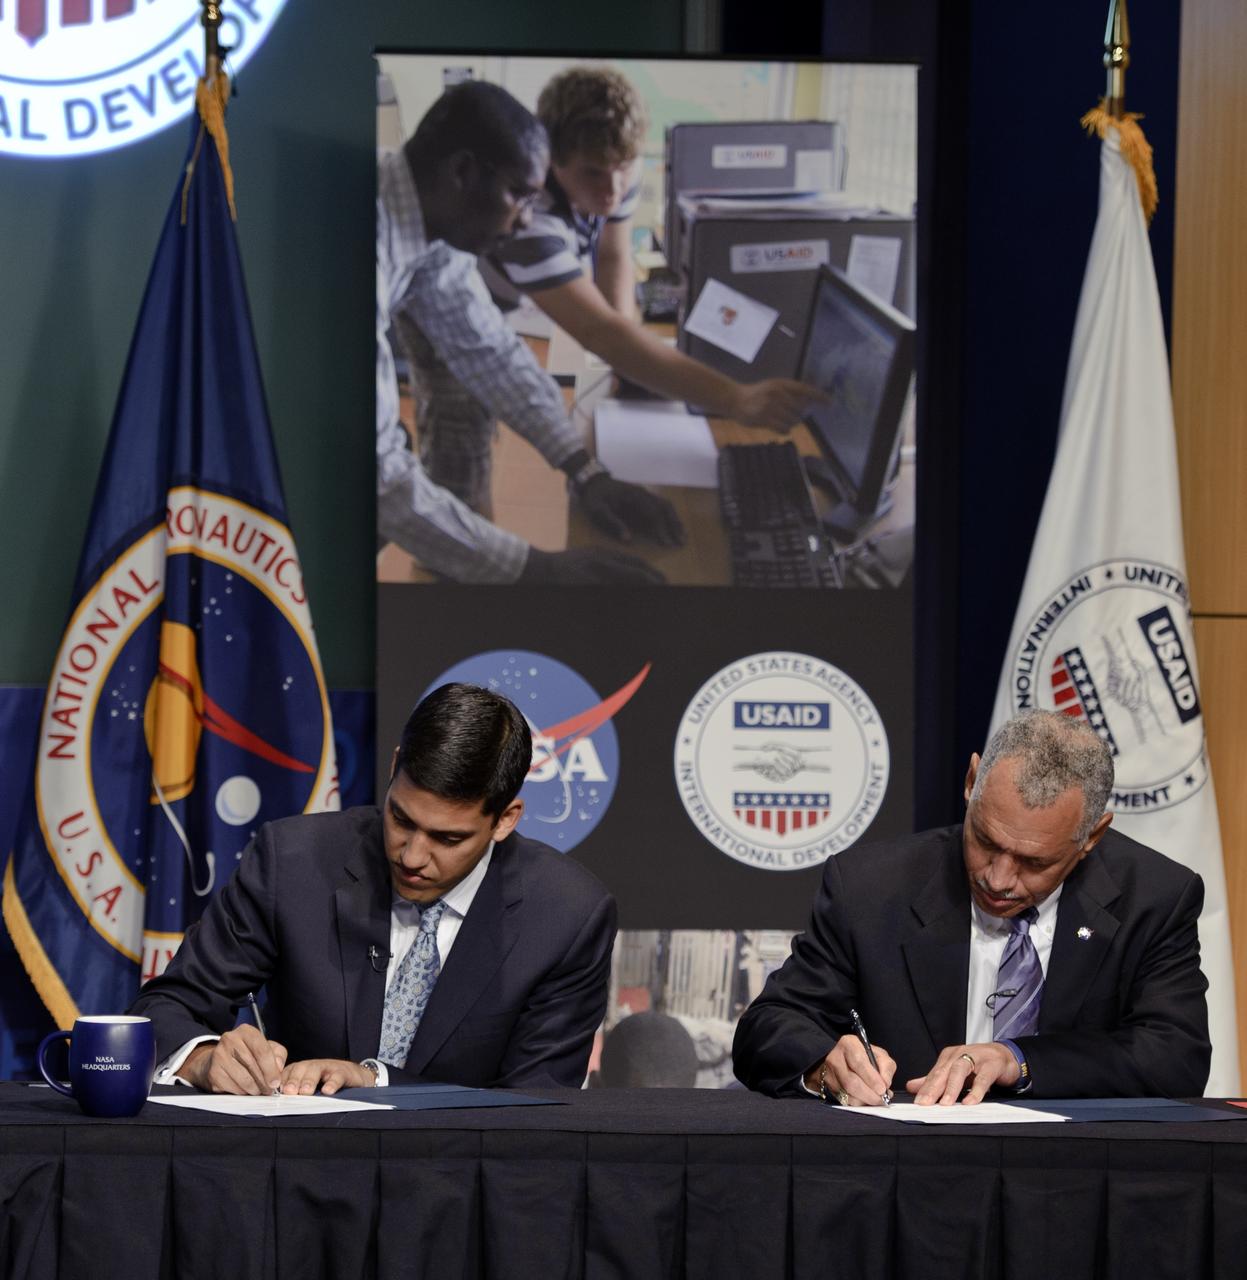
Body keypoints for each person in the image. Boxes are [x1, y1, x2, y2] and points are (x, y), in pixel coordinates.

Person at [130, 683, 617, 1094]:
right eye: (401, 819)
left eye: (448, 838)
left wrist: (378, 1082)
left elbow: (533, 1109)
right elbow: (164, 1007)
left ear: (505, 819)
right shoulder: (292, 861)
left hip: (461, 1189)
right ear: (393, 767)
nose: (411, 856)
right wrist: (204, 1056)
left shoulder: (567, 917)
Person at [732, 709, 1211, 1106]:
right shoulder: (870, 888)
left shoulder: (1155, 898)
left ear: (1092, 837)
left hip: (1070, 1181)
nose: (998, 879)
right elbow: (768, 1027)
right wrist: (821, 1063)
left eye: (1034, 862)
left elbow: (1175, 1057)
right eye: (984, 840)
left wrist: (1017, 1060)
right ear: (971, 782)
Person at [377, 79, 682, 586]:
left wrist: (586, 471)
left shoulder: (430, 224)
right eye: (519, 196)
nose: (524, 223)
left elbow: (489, 351)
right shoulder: (368, 243)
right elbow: (382, 478)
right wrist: (537, 569)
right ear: (462, 173)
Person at [484, 66, 825, 426]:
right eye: (594, 172)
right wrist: (736, 398)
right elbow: (599, 333)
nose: (613, 190)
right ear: (555, 159)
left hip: (503, 311)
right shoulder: (528, 217)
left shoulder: (614, 170)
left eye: (624, 167)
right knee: (467, 430)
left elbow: (613, 255)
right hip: (453, 320)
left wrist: (628, 365)